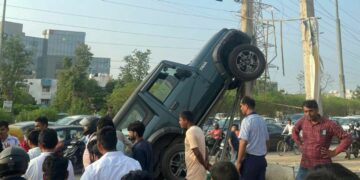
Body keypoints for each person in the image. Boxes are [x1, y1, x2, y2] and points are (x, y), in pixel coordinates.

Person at [292, 100, 352, 180]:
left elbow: (347, 138)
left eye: (311, 111)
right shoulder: (303, 121)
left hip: (323, 167)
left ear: (317, 110)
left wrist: (334, 152)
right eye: (305, 111)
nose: (308, 114)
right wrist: (299, 144)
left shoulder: (329, 124)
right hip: (305, 165)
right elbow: (294, 130)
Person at [236, 96, 269, 180]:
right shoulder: (262, 120)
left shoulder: (247, 121)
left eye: (241, 106)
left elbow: (243, 143)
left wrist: (239, 162)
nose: (240, 108)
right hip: (261, 160)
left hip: (250, 161)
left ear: (246, 106)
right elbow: (267, 141)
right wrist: (262, 154)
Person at [178, 111, 211, 180]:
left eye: (180, 120)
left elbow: (196, 152)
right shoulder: (199, 129)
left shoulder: (190, 132)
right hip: (199, 171)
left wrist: (205, 164)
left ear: (186, 120)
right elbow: (205, 148)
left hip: (194, 171)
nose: (179, 122)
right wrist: (206, 162)